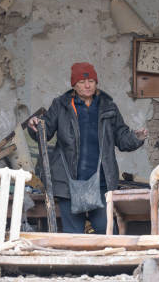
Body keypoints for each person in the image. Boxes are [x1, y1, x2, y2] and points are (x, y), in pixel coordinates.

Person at [28, 62, 148, 234]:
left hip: (101, 182)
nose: (87, 85)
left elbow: (121, 138)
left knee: (106, 231)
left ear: (96, 83)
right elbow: (44, 132)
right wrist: (36, 126)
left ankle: (110, 261)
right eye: (82, 82)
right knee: (73, 235)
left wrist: (136, 138)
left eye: (91, 81)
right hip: (69, 183)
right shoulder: (61, 105)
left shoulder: (108, 107)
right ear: (74, 85)